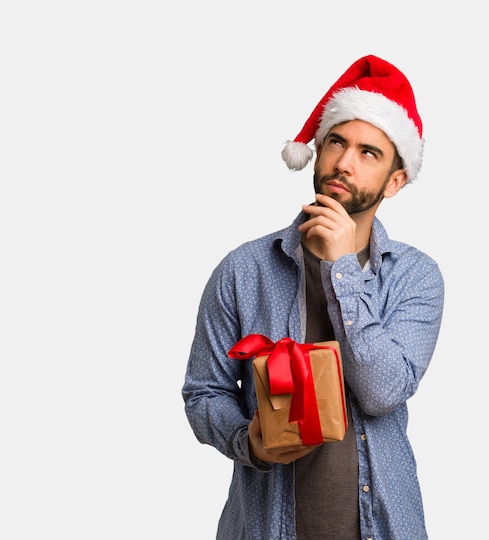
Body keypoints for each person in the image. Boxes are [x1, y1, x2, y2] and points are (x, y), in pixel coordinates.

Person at [182, 54, 445, 540]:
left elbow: (384, 391)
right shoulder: (244, 271)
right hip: (264, 526)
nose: (344, 162)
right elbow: (204, 393)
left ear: (396, 180)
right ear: (318, 149)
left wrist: (342, 269)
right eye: (336, 143)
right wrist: (249, 442)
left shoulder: (415, 277)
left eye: (369, 153)